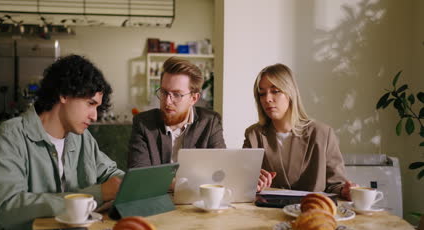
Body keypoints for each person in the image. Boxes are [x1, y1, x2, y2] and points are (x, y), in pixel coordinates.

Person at [0, 55, 124, 230]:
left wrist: (134, 184)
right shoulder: (13, 134)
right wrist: (97, 194)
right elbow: (9, 206)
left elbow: (112, 174)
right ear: (64, 94)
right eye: (90, 104)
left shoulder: (82, 139)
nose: (95, 116)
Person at [243, 63, 356, 199]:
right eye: (262, 93)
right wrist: (253, 184)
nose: (267, 99)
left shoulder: (322, 134)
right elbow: (243, 183)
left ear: (290, 93)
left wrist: (345, 190)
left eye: (275, 91)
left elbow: (336, 185)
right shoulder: (253, 135)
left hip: (310, 212)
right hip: (265, 215)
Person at [128, 57, 226, 168]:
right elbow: (139, 176)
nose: (167, 101)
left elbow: (220, 170)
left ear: (193, 98)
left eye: (177, 94)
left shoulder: (210, 122)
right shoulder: (143, 123)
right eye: (164, 92)